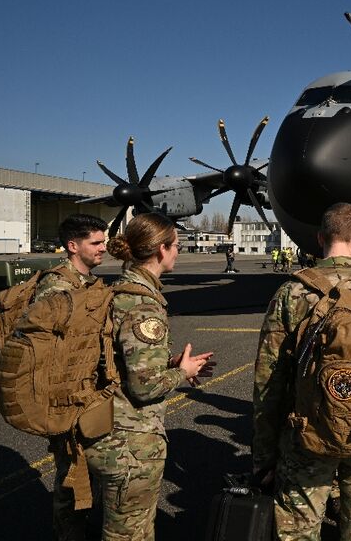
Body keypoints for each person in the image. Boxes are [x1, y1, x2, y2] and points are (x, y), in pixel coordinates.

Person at [253, 203, 351, 540]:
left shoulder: (293, 293)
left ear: (320, 238)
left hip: (308, 436)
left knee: (298, 530)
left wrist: (264, 455)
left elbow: (268, 381)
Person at [90, 212, 214, 540]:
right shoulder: (143, 305)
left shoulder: (121, 291)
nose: (178, 252)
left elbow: (120, 360)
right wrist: (182, 373)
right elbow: (144, 386)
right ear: (161, 250)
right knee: (128, 534)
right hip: (131, 443)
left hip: (110, 431)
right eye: (176, 246)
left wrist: (171, 363)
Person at [32, 214, 108, 541]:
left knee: (91, 475)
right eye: (96, 243)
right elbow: (43, 349)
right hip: (66, 400)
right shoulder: (57, 287)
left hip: (88, 394)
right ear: (73, 246)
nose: (104, 248)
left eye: (103, 241)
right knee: (72, 477)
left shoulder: (87, 283)